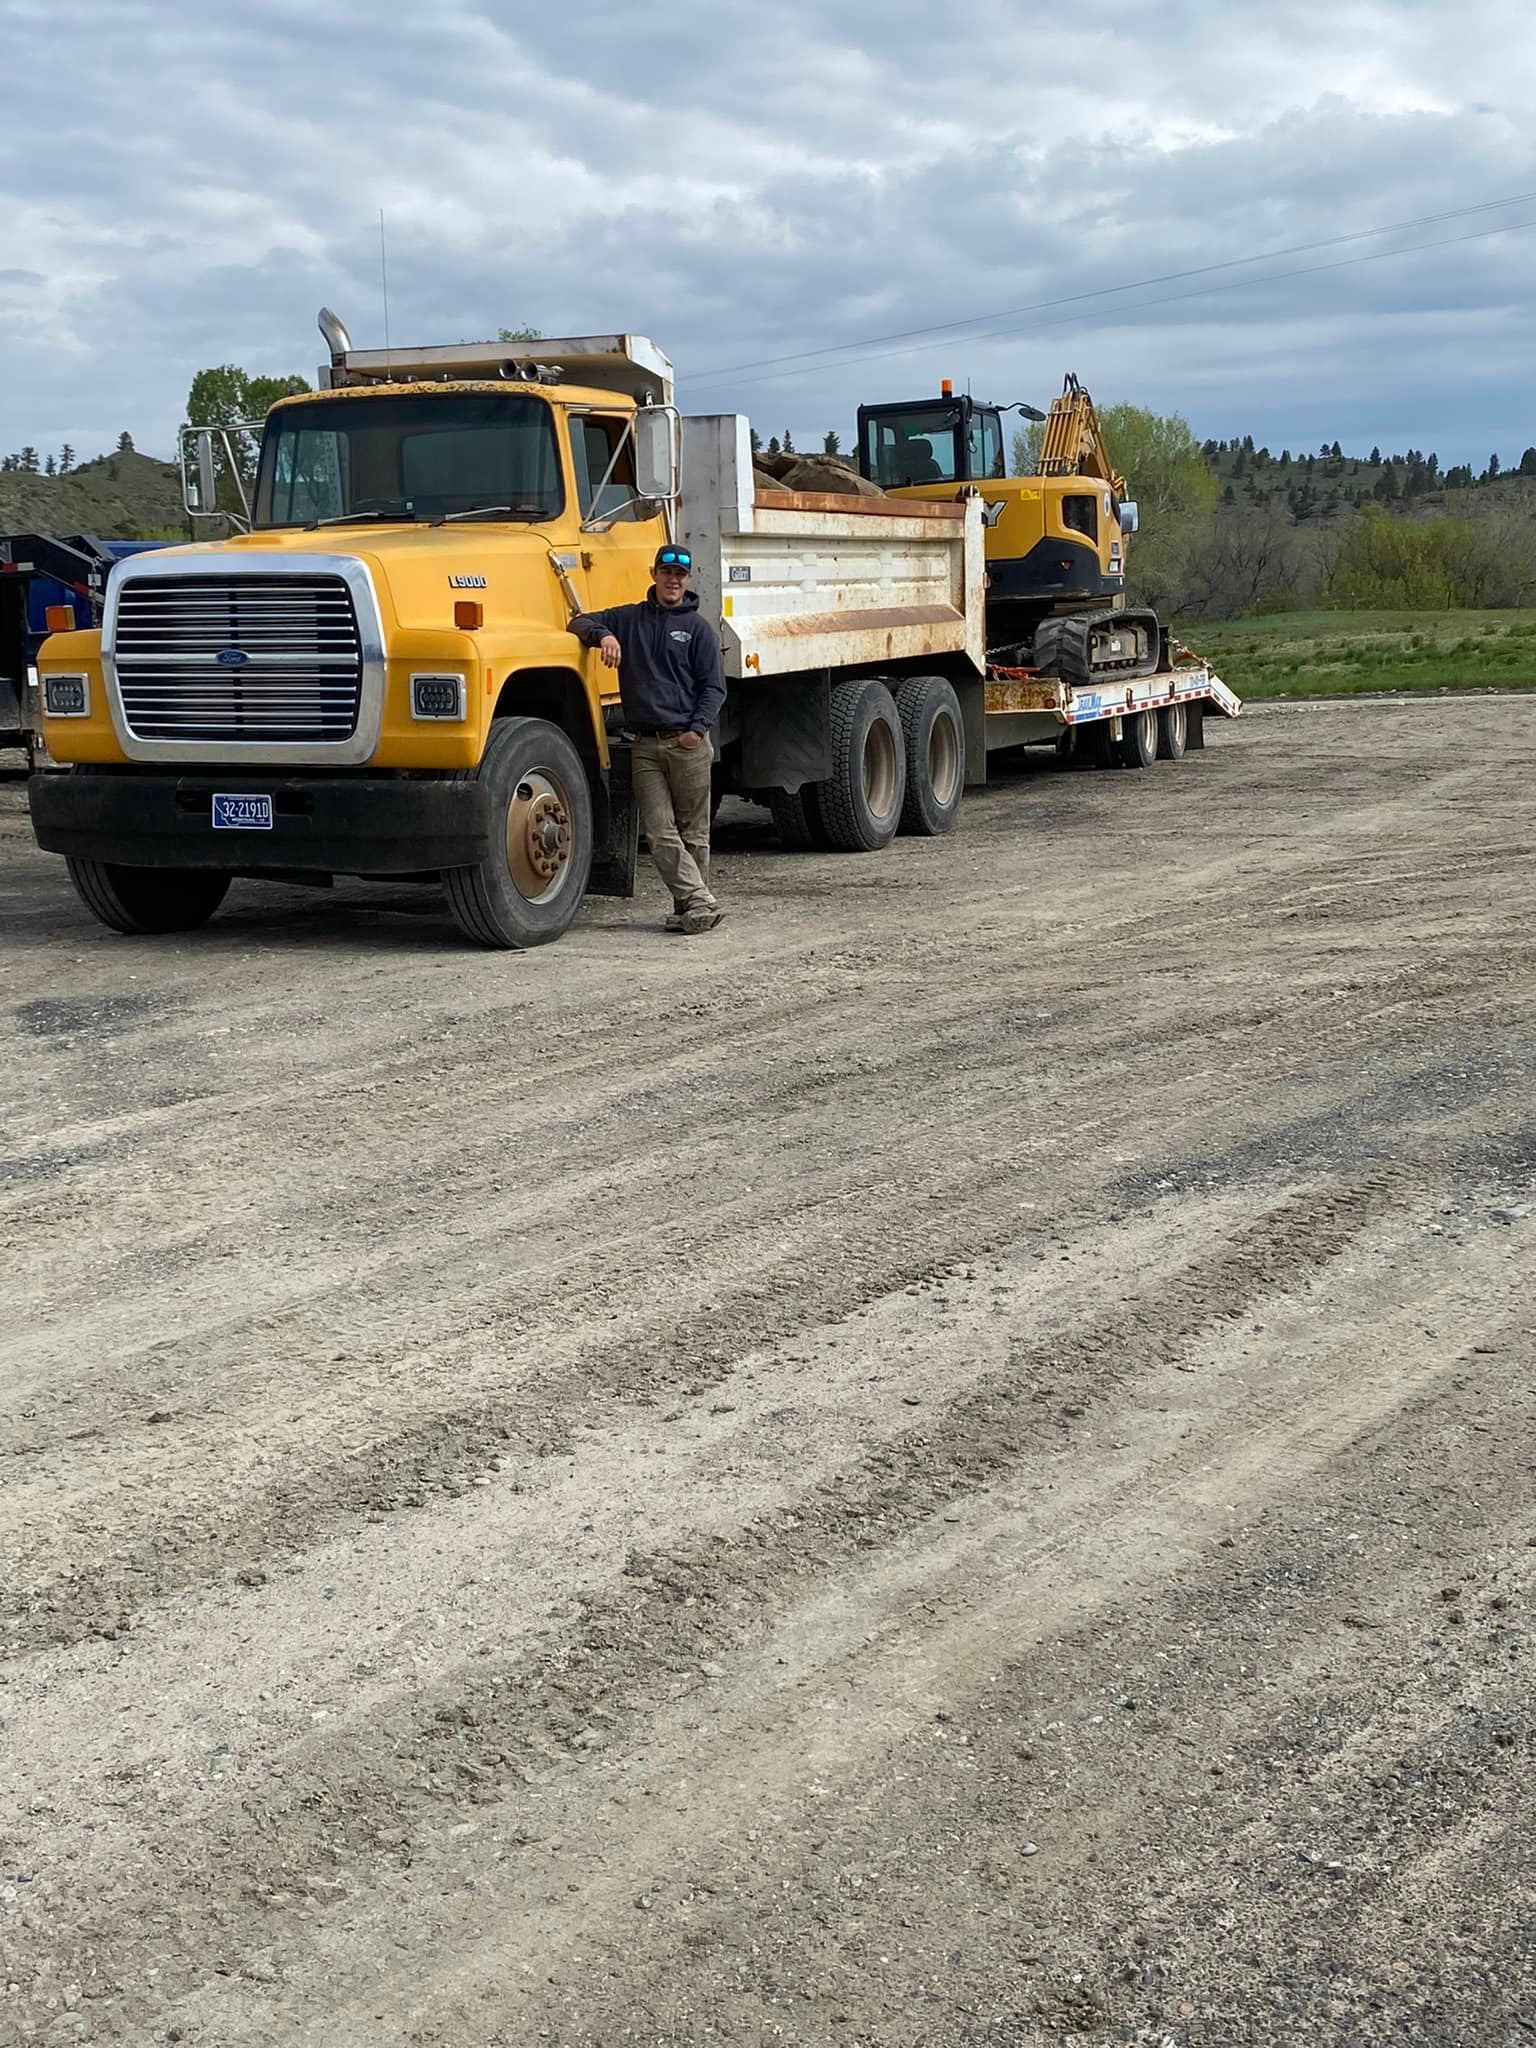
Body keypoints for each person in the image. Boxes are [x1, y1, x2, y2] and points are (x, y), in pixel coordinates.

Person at [568, 544, 727, 934]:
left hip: (686, 743)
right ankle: (701, 898)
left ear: (687, 581)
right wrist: (604, 635)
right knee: (658, 830)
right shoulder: (629, 619)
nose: (673, 580)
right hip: (644, 745)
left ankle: (688, 908)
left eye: (680, 575)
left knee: (694, 832)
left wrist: (695, 731)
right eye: (667, 572)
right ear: (654, 574)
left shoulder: (697, 630)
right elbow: (578, 622)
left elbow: (714, 687)